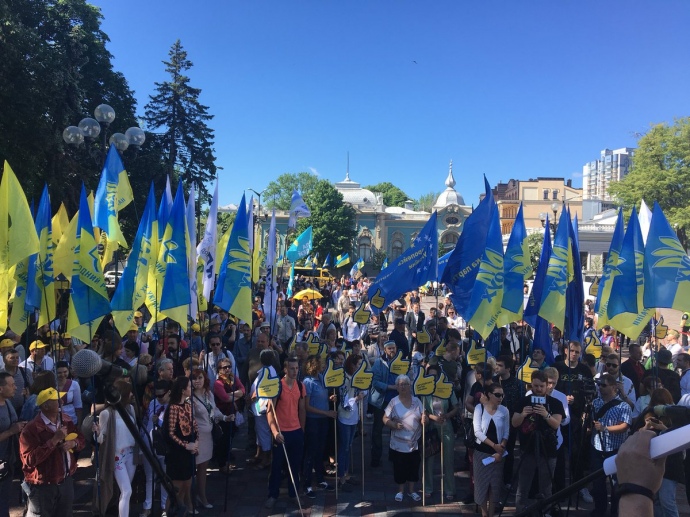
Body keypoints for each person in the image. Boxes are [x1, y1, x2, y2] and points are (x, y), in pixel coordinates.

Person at [19, 387, 85, 517]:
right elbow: (29, 460)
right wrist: (54, 440)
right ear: (46, 406)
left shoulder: (66, 420)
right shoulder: (31, 429)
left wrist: (74, 443)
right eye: (57, 399)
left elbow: (81, 439)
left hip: (66, 481)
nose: (62, 401)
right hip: (43, 486)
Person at [511, 370, 565, 512]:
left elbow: (556, 424)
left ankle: (546, 512)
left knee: (546, 487)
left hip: (548, 449)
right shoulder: (524, 401)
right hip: (528, 449)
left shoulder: (555, 403)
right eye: (535, 386)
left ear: (547, 385)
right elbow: (514, 423)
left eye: (541, 386)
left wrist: (546, 414)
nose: (539, 389)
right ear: (531, 385)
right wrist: (523, 414)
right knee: (523, 485)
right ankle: (520, 512)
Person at [92, 378, 138, 517]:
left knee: (126, 491)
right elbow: (101, 439)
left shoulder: (130, 409)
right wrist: (97, 433)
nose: (132, 395)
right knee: (127, 491)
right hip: (117, 455)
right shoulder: (106, 413)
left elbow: (135, 430)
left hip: (131, 453)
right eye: (129, 392)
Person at [588, 373, 632, 517]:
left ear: (613, 387)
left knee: (616, 483)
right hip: (597, 447)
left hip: (615, 449)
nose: (600, 388)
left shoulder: (623, 406)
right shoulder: (596, 403)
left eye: (604, 385)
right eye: (599, 385)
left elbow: (625, 426)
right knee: (597, 483)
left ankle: (615, 511)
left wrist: (605, 428)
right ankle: (599, 509)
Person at [265, 357, 306, 509]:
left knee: (295, 466)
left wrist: (302, 430)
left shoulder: (300, 386)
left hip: (296, 431)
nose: (295, 371)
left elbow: (302, 409)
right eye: (292, 368)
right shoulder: (277, 386)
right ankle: (273, 495)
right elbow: (270, 412)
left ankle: (293, 494)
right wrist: (275, 432)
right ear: (285, 369)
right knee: (276, 466)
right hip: (281, 433)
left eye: (297, 368)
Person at [382, 374, 428, 502]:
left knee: (414, 467)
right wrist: (392, 424)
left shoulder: (417, 401)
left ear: (410, 386)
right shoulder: (393, 402)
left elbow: (424, 416)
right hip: (398, 443)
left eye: (405, 384)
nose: (403, 387)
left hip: (414, 443)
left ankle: (412, 490)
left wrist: (425, 419)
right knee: (399, 467)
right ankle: (400, 490)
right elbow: (384, 418)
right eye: (400, 384)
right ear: (397, 387)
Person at [422, 364, 459, 501]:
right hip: (431, 427)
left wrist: (447, 415)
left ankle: (450, 489)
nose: (433, 378)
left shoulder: (447, 388)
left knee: (448, 459)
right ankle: (428, 488)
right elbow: (422, 410)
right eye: (430, 375)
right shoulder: (425, 390)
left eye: (435, 375)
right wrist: (433, 417)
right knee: (429, 459)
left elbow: (456, 407)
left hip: (445, 425)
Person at [472, 382, 510, 517]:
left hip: (498, 454)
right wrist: (494, 445)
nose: (500, 398)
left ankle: (492, 513)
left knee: (495, 486)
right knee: (482, 485)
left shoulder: (504, 410)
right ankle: (484, 513)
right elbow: (477, 432)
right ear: (489, 394)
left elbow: (506, 432)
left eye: (502, 395)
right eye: (497, 395)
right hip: (482, 452)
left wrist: (501, 448)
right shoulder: (479, 408)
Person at [164, 376, 199, 515]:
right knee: (176, 488)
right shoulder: (173, 408)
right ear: (183, 390)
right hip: (177, 453)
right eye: (189, 386)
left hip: (188, 452)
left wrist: (196, 442)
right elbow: (170, 433)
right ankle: (169, 512)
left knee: (187, 484)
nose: (192, 388)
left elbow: (195, 426)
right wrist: (186, 445)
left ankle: (184, 509)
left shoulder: (188, 405)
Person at [302, 355, 336, 498]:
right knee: (311, 452)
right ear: (314, 365)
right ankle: (307, 484)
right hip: (313, 421)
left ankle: (320, 479)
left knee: (320, 451)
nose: (324, 365)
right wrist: (326, 413)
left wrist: (329, 398)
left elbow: (320, 397)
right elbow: (307, 406)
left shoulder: (322, 378)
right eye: (321, 363)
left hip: (323, 421)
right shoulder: (307, 382)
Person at [190, 368, 224, 509]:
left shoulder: (208, 394)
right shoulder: (189, 398)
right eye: (194, 378)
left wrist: (224, 417)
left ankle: (202, 495)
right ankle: (190, 499)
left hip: (208, 436)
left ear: (204, 379)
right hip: (197, 438)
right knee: (193, 468)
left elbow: (214, 410)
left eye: (200, 378)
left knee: (203, 467)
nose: (197, 381)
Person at [369, 340, 403, 468]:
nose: (392, 351)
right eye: (390, 348)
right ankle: (376, 457)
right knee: (377, 429)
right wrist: (390, 387)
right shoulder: (379, 363)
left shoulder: (400, 362)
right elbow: (375, 381)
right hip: (381, 401)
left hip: (396, 401)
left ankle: (394, 454)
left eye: (394, 348)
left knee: (395, 429)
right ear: (385, 350)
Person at [336, 354, 367, 491]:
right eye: (358, 364)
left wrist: (362, 393)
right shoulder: (345, 378)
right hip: (345, 416)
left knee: (348, 445)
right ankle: (341, 477)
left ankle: (346, 473)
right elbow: (344, 399)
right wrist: (356, 398)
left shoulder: (358, 377)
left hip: (354, 416)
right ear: (352, 365)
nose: (360, 367)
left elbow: (365, 390)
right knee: (344, 447)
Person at [141, 379, 171, 517]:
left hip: (165, 447)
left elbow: (171, 427)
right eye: (156, 395)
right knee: (150, 477)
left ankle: (165, 506)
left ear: (169, 393)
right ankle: (147, 506)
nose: (158, 398)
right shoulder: (153, 403)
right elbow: (145, 422)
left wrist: (158, 421)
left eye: (161, 395)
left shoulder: (173, 406)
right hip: (149, 445)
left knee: (165, 477)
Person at [0, 372, 26, 517]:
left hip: (9, 461)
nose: (15, 387)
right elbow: (11, 429)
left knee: (4, 500)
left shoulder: (8, 402)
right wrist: (11, 431)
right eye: (11, 385)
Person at [212, 357, 244, 473]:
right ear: (219, 369)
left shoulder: (233, 378)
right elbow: (225, 398)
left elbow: (243, 390)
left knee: (230, 437)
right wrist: (236, 395)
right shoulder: (218, 383)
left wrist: (231, 394)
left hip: (233, 413)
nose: (227, 369)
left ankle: (226, 459)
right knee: (223, 440)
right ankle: (222, 464)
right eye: (224, 367)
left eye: (229, 366)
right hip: (223, 416)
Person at [55, 361, 82, 427]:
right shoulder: (52, 385)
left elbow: (78, 405)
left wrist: (79, 424)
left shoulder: (74, 384)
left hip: (71, 419)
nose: (62, 375)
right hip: (55, 420)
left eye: (65, 372)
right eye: (59, 373)